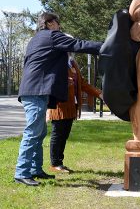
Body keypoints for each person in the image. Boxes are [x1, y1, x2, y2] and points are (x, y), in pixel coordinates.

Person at [14, 12, 102, 186]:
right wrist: (109, 46)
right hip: (36, 90)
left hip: (34, 89)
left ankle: (35, 169)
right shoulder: (52, 36)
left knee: (39, 132)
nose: (59, 26)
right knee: (33, 132)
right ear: (49, 23)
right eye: (57, 23)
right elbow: (79, 44)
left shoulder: (37, 39)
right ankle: (21, 172)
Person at [47, 52, 102, 173]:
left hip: (71, 106)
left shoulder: (72, 63)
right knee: (58, 135)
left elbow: (82, 83)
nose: (69, 50)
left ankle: (59, 162)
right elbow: (49, 79)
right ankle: (55, 163)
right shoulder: (55, 63)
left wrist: (99, 94)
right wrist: (63, 82)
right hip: (59, 106)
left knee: (64, 135)